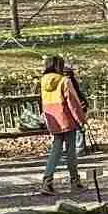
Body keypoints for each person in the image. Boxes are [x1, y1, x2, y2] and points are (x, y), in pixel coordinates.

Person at [39, 55, 88, 193]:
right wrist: (81, 120)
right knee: (71, 152)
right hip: (67, 120)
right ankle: (75, 182)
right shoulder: (64, 81)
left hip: (53, 121)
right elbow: (73, 104)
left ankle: (47, 182)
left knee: (55, 151)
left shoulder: (43, 81)